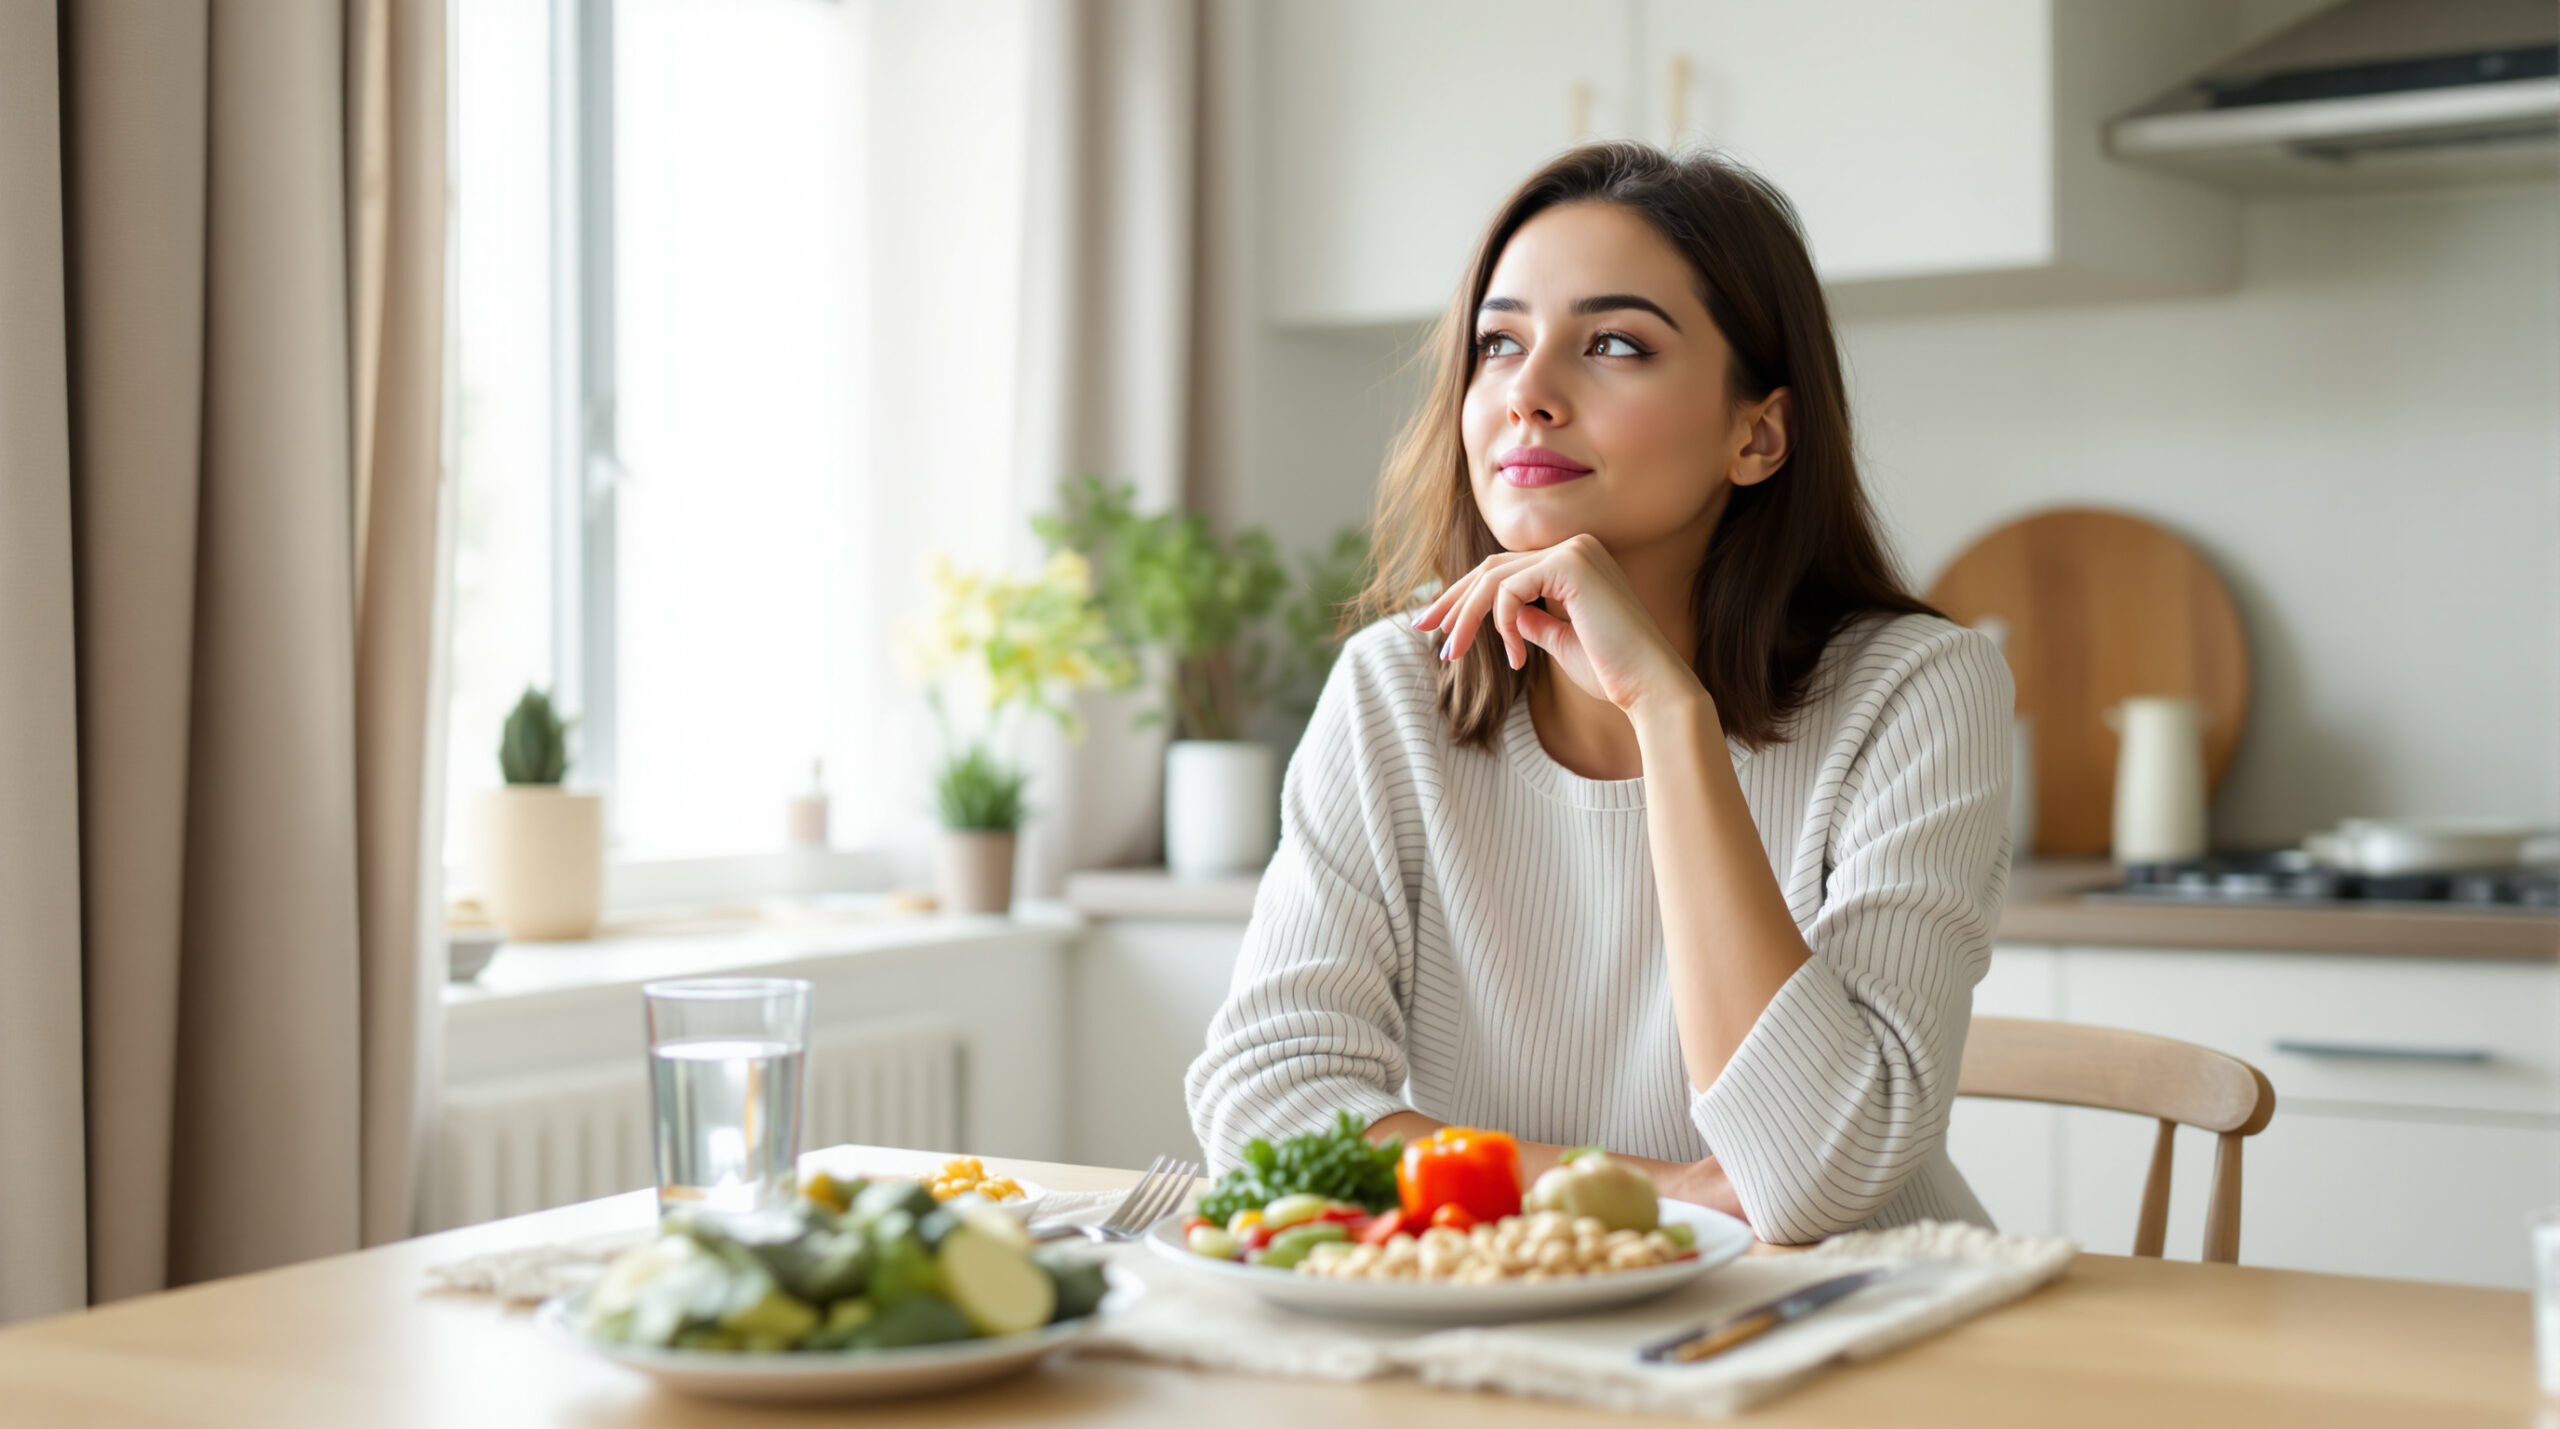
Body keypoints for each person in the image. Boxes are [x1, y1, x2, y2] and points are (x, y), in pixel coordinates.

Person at [1183, 143, 2013, 1242]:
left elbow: (1812, 1179)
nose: (1527, 393)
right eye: (1497, 344)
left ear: (1755, 434)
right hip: (1516, 1317)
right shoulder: (1394, 688)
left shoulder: (1916, 690)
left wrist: (1673, 722)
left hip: (1841, 1330)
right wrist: (1659, 1189)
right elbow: (1264, 1113)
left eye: (1613, 344)